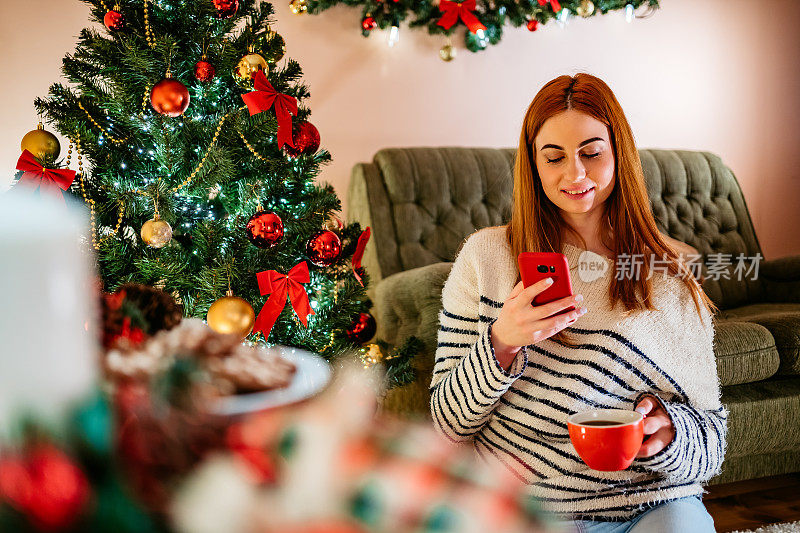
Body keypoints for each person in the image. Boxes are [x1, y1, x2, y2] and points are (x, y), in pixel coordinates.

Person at [430, 73, 727, 532]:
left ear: (619, 154)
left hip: (649, 504)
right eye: (554, 158)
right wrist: (501, 343)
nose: (575, 174)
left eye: (592, 152)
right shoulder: (486, 257)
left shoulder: (670, 273)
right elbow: (447, 425)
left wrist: (669, 436)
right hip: (524, 506)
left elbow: (711, 444)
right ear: (533, 166)